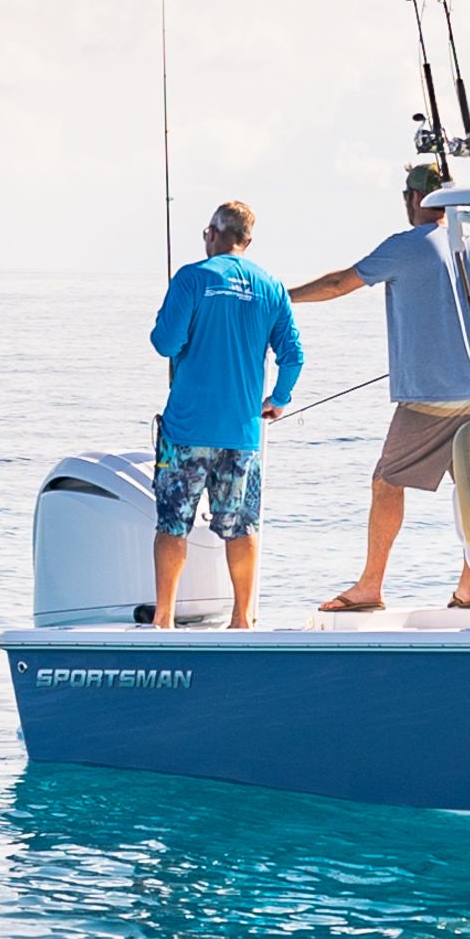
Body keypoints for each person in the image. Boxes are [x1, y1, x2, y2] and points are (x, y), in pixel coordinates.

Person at [291, 159, 470, 614]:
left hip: (430, 399)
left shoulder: (404, 247)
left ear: (413, 200)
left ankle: (370, 587)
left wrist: (281, 297)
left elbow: (337, 284)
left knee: (387, 482)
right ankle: (468, 588)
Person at [148, 199, 303, 631]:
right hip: (242, 433)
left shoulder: (192, 278)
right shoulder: (271, 286)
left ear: (213, 234)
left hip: (187, 430)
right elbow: (293, 354)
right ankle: (241, 620)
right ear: (247, 241)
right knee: (241, 526)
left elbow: (165, 342)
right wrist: (278, 398)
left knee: (172, 524)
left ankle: (163, 620)